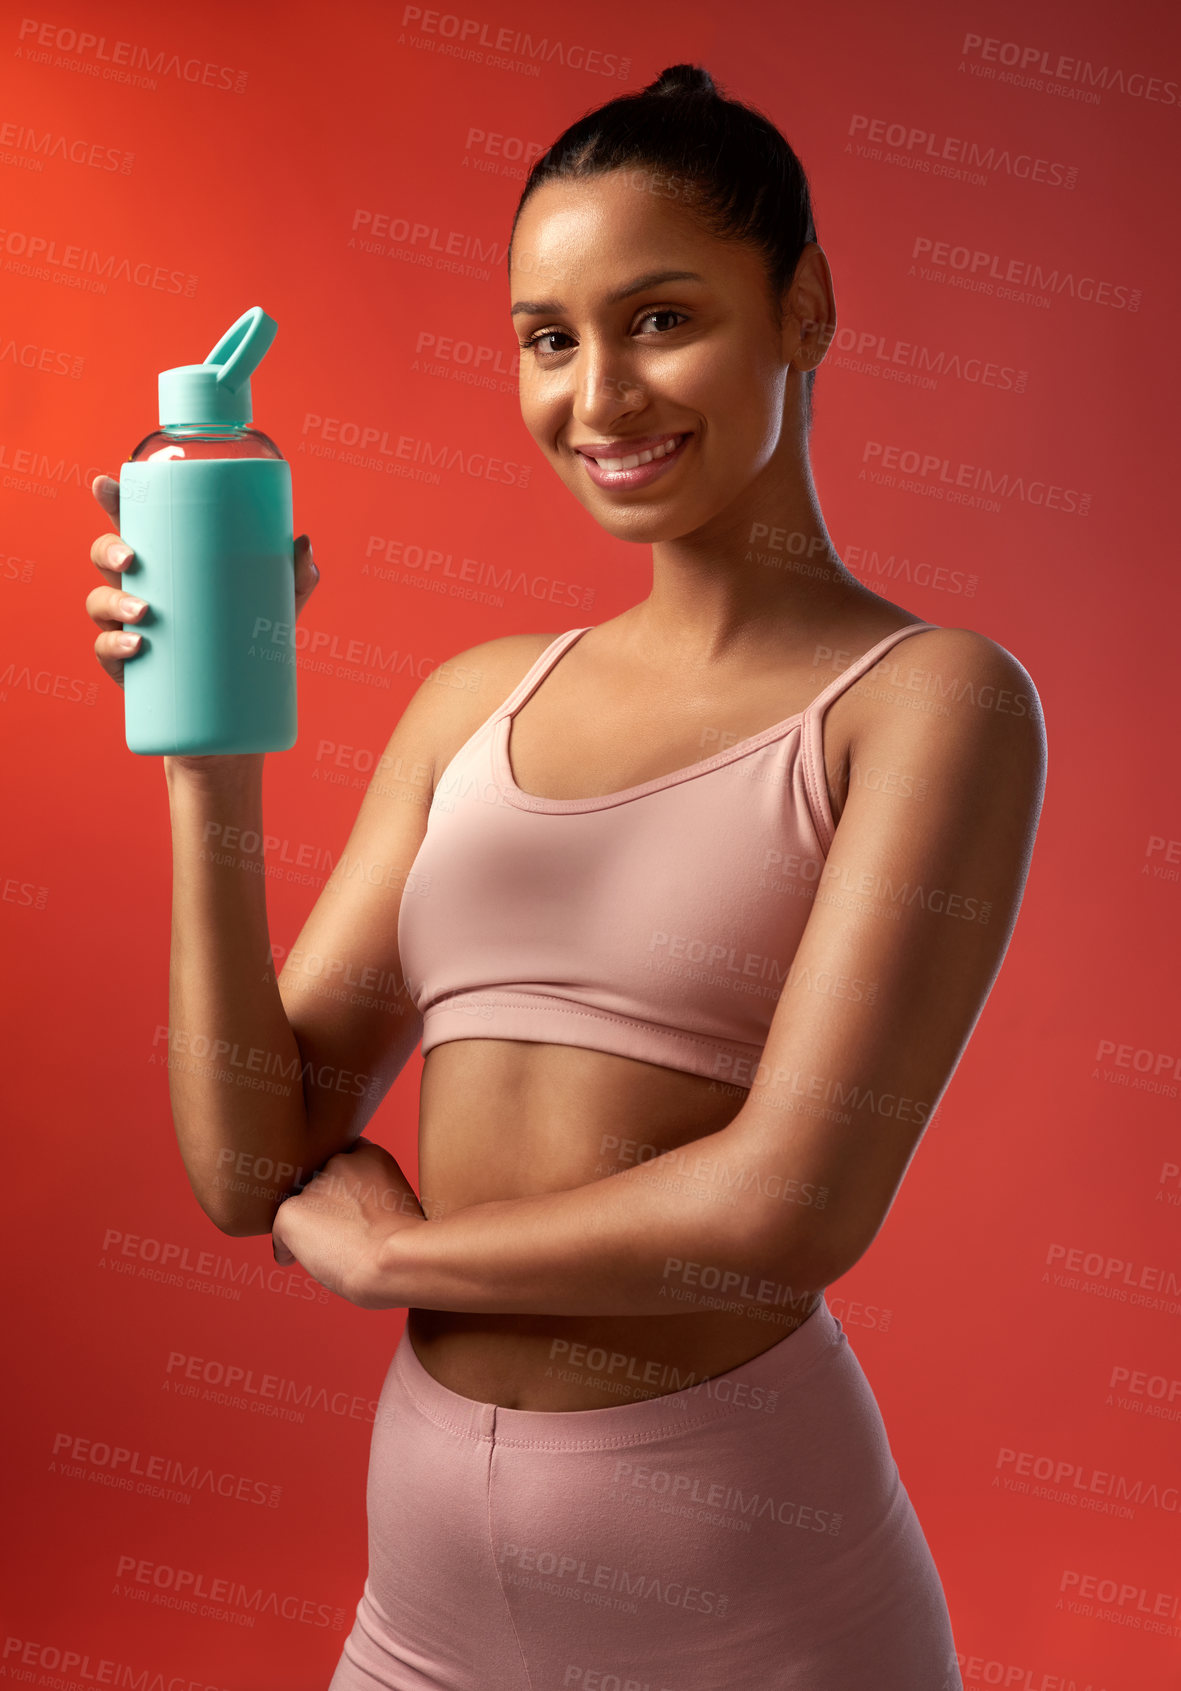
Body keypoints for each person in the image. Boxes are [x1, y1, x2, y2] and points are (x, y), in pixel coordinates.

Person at [86, 60, 1044, 1691]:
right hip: (423, 1630)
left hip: (761, 1629)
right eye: (548, 337)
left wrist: (400, 1260)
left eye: (659, 319)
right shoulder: (474, 699)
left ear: (801, 307)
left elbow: (790, 1206)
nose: (597, 395)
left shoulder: (924, 703)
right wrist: (209, 759)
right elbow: (252, 1157)